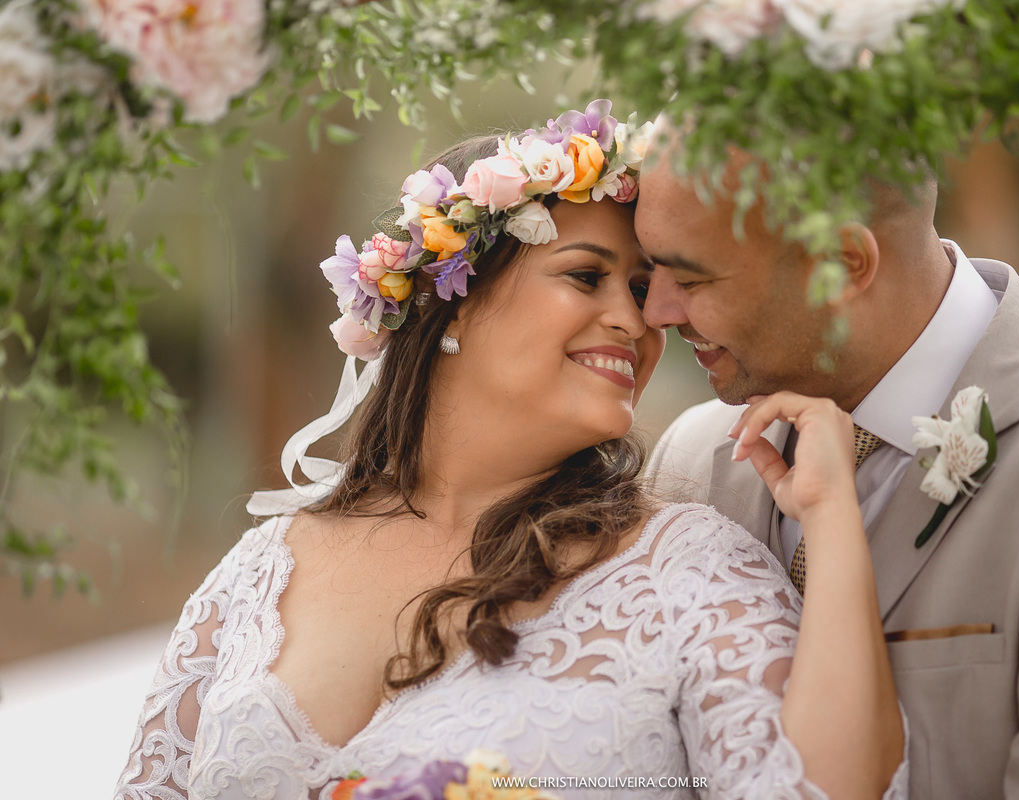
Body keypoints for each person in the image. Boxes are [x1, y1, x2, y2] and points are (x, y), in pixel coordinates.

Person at [113, 103, 906, 800]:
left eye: (640, 290)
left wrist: (832, 520)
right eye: (586, 276)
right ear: (451, 298)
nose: (636, 323)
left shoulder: (686, 570)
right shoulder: (260, 574)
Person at [637, 132, 1019, 799]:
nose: (655, 312)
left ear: (844, 264)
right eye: (652, 272)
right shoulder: (695, 459)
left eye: (691, 277)